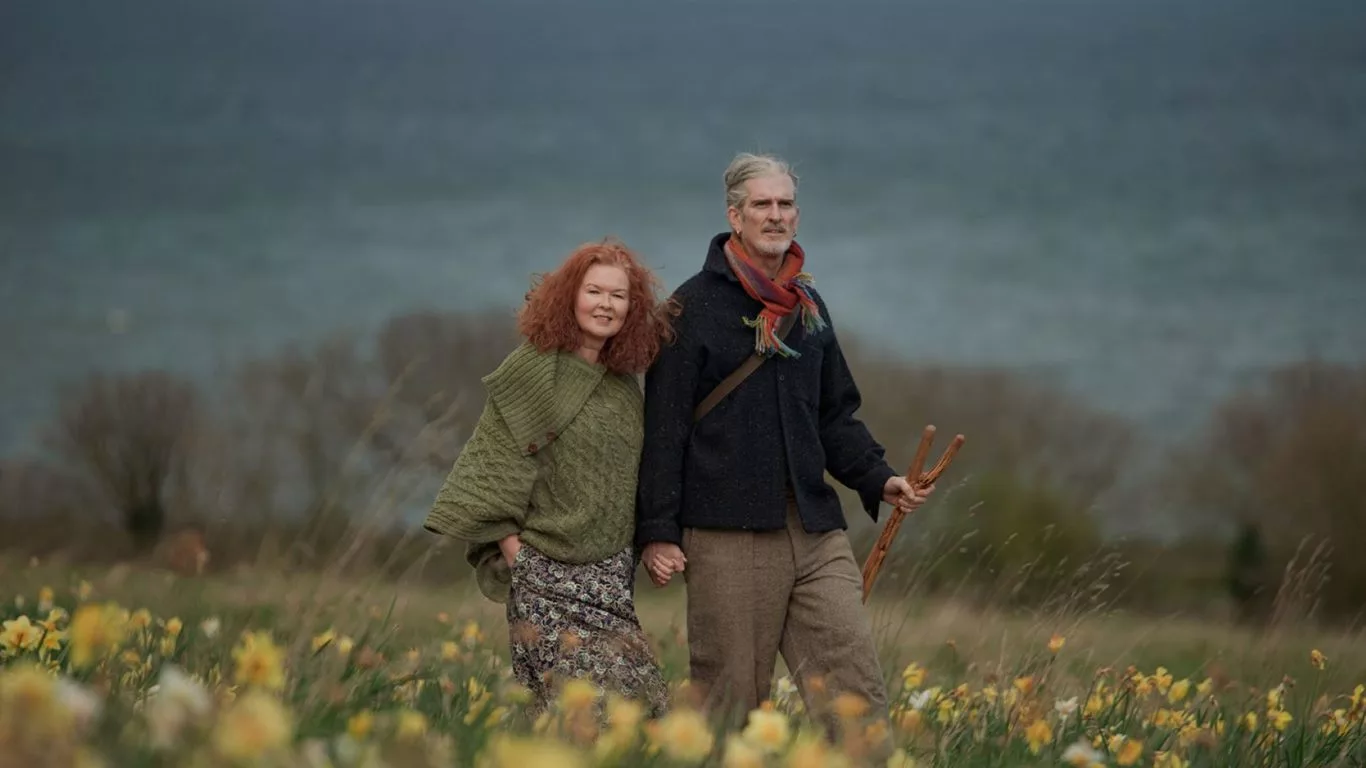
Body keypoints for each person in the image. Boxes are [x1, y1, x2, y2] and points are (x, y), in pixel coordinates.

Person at [634, 153, 935, 730]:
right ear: (735, 216)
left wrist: (880, 478)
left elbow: (834, 415)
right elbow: (664, 430)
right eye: (762, 204)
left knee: (856, 697)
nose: (776, 215)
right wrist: (658, 531)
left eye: (786, 204)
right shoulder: (688, 309)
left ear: (797, 215)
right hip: (725, 535)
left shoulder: (808, 306)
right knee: (730, 707)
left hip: (815, 531)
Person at [424, 239, 677, 718]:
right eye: (594, 291)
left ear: (632, 308)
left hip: (610, 581)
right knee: (588, 718)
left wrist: (653, 541)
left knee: (644, 715)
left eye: (618, 296)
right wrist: (521, 559)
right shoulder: (534, 370)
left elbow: (628, 477)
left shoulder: (623, 385)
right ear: (569, 297)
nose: (605, 305)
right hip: (546, 576)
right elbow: (492, 466)